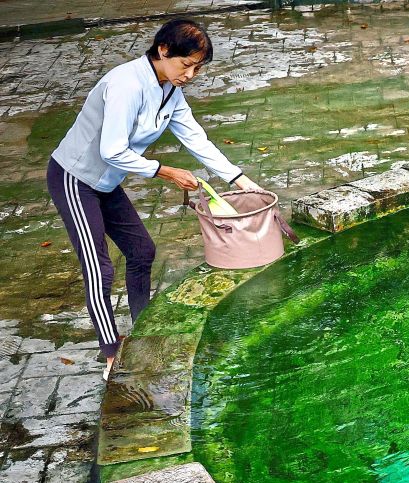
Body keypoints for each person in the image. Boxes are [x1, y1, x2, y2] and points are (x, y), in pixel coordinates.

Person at [46, 18, 259, 379]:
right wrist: (166, 171)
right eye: (185, 65)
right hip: (74, 179)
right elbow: (112, 150)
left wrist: (240, 180)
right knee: (99, 267)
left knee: (142, 251)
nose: (190, 75)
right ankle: (111, 354)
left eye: (197, 68)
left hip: (106, 182)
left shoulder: (170, 90)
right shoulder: (126, 85)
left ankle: (143, 328)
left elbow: (196, 138)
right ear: (163, 50)